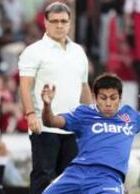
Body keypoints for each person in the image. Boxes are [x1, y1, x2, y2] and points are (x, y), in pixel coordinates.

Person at [35, 73, 140, 194]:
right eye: (103, 98)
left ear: (120, 97)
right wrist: (47, 105)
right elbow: (52, 122)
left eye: (113, 97)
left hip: (108, 177)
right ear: (95, 98)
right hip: (76, 172)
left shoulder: (130, 116)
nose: (109, 103)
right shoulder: (83, 114)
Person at [18, 2, 93, 194]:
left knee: (72, 181)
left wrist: (91, 118)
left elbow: (83, 87)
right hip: (44, 126)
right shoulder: (33, 51)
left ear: (70, 23)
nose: (59, 25)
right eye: (55, 21)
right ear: (45, 22)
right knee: (43, 177)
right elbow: (25, 86)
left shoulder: (78, 51)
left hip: (73, 126)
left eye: (64, 21)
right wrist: (30, 115)